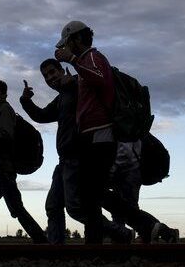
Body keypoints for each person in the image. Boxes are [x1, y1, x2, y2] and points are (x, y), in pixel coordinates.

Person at [20, 59, 136, 244]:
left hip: (76, 156)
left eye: (53, 72)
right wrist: (26, 101)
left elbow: (90, 92)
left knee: (76, 208)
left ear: (61, 70)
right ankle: (56, 248)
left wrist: (73, 82)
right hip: (64, 159)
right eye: (46, 76)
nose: (50, 77)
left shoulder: (78, 87)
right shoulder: (61, 98)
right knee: (53, 205)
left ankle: (120, 233)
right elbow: (42, 116)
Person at [54, 20, 117, 244]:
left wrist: (72, 60)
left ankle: (95, 244)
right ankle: (95, 243)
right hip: (93, 134)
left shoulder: (91, 57)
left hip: (99, 134)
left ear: (77, 39)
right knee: (91, 193)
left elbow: (99, 79)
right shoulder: (87, 61)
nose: (65, 47)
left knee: (92, 193)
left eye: (67, 43)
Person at [0, 79, 48, 244]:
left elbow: (6, 134)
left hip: (5, 168)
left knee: (15, 208)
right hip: (1, 169)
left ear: (4, 94)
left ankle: (42, 242)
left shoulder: (4, 110)